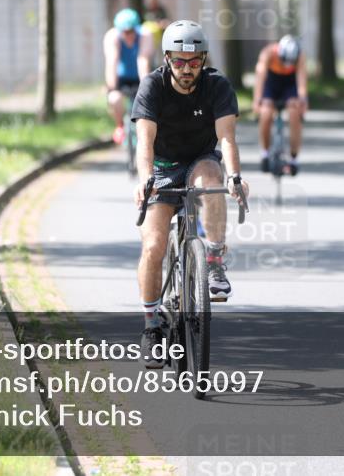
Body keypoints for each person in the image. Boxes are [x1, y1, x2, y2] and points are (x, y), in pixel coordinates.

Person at [131, 20, 249, 368]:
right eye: (179, 61)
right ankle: (152, 326)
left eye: (193, 61)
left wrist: (236, 177)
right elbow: (145, 143)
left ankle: (213, 260)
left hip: (200, 159)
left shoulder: (217, 86)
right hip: (163, 165)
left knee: (211, 179)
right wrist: (145, 178)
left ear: (203, 59)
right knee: (153, 246)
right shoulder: (152, 86)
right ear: (167, 58)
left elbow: (226, 138)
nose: (186, 69)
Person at [253, 35, 308, 175]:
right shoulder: (268, 53)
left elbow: (301, 81)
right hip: (271, 84)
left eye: (291, 63)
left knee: (294, 112)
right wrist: (257, 100)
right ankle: (265, 153)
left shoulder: (300, 56)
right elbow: (260, 77)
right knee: (266, 113)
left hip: (289, 85)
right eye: (284, 61)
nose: (287, 65)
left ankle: (294, 158)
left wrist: (302, 99)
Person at [104, 8, 152, 144]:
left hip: (139, 77)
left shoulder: (145, 34)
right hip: (121, 79)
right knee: (114, 99)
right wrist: (112, 88)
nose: (128, 35)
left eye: (131, 31)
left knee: (147, 103)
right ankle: (120, 126)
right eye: (124, 32)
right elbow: (112, 62)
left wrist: (145, 88)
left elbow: (143, 60)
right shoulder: (112, 36)